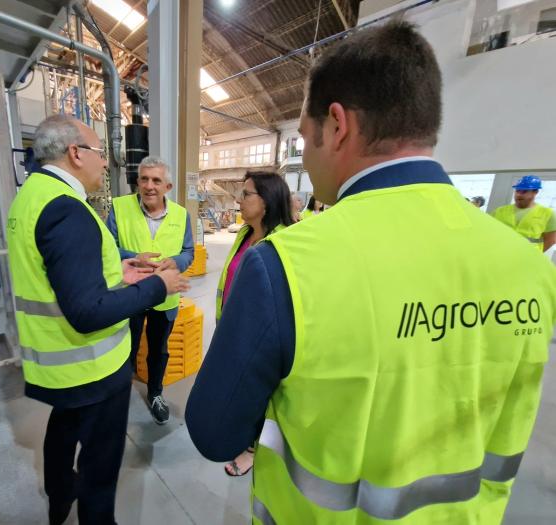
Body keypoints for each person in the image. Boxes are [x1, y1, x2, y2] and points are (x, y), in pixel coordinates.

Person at [186, 21, 556, 524]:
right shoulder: (528, 268)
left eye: (303, 138)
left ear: (337, 126)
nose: (306, 156)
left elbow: (215, 433)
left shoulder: (286, 264)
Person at [6, 115, 188, 525]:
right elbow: (87, 312)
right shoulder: (67, 210)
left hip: (58, 361)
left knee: (62, 431)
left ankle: (59, 499)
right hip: (90, 365)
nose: (105, 164)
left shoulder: (33, 195)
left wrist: (119, 274)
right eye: (99, 154)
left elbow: (61, 274)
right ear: (75, 153)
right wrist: (158, 287)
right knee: (101, 464)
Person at [215, 171, 294, 477]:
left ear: (267, 200)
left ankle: (251, 449)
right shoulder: (243, 234)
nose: (239, 199)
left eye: (246, 194)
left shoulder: (286, 240)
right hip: (233, 329)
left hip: (263, 336)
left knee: (260, 394)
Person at [106, 156, 194, 425]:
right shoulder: (119, 208)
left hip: (164, 296)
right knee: (124, 348)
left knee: (159, 349)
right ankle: (118, 398)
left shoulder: (181, 215)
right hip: (130, 294)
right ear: (137, 182)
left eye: (156, 180)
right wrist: (134, 256)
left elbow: (188, 252)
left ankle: (155, 393)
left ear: (167, 186)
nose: (149, 186)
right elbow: (107, 248)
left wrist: (176, 262)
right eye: (144, 179)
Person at [492, 176, 556, 252]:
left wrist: (536, 255)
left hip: (528, 255)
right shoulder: (500, 211)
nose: (519, 195)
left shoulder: (547, 213)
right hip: (501, 252)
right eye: (517, 191)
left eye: (524, 191)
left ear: (535, 192)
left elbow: (550, 240)